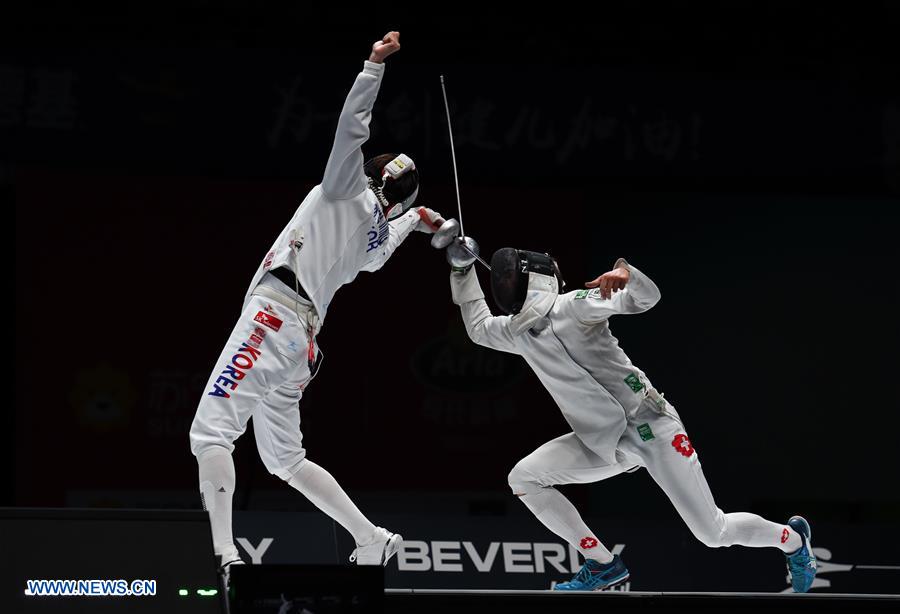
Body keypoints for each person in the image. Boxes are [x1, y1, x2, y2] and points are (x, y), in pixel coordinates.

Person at [189, 31, 444, 576]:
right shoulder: (375, 234)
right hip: (299, 347)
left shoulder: (341, 190)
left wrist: (374, 67)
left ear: (370, 174)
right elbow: (384, 245)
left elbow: (351, 127)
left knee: (210, 433)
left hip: (272, 317)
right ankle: (371, 537)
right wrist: (418, 224)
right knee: (285, 459)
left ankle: (223, 556)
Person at [445, 245, 817, 592]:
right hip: (604, 443)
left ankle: (794, 540)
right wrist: (462, 269)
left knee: (712, 532)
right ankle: (601, 562)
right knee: (524, 478)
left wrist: (627, 274)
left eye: (509, 277)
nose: (503, 283)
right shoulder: (518, 332)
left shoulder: (575, 306)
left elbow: (645, 299)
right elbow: (478, 328)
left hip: (652, 426)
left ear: (534, 277)